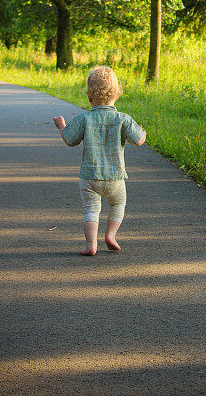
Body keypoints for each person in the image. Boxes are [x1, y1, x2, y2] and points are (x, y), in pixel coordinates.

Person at [53, 65, 146, 256]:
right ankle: (110, 235)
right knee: (118, 205)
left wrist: (62, 126)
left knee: (91, 210)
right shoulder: (124, 119)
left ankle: (90, 245)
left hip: (90, 177)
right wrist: (142, 132)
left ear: (89, 96)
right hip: (115, 178)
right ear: (117, 95)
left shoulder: (83, 119)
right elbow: (138, 141)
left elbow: (70, 140)